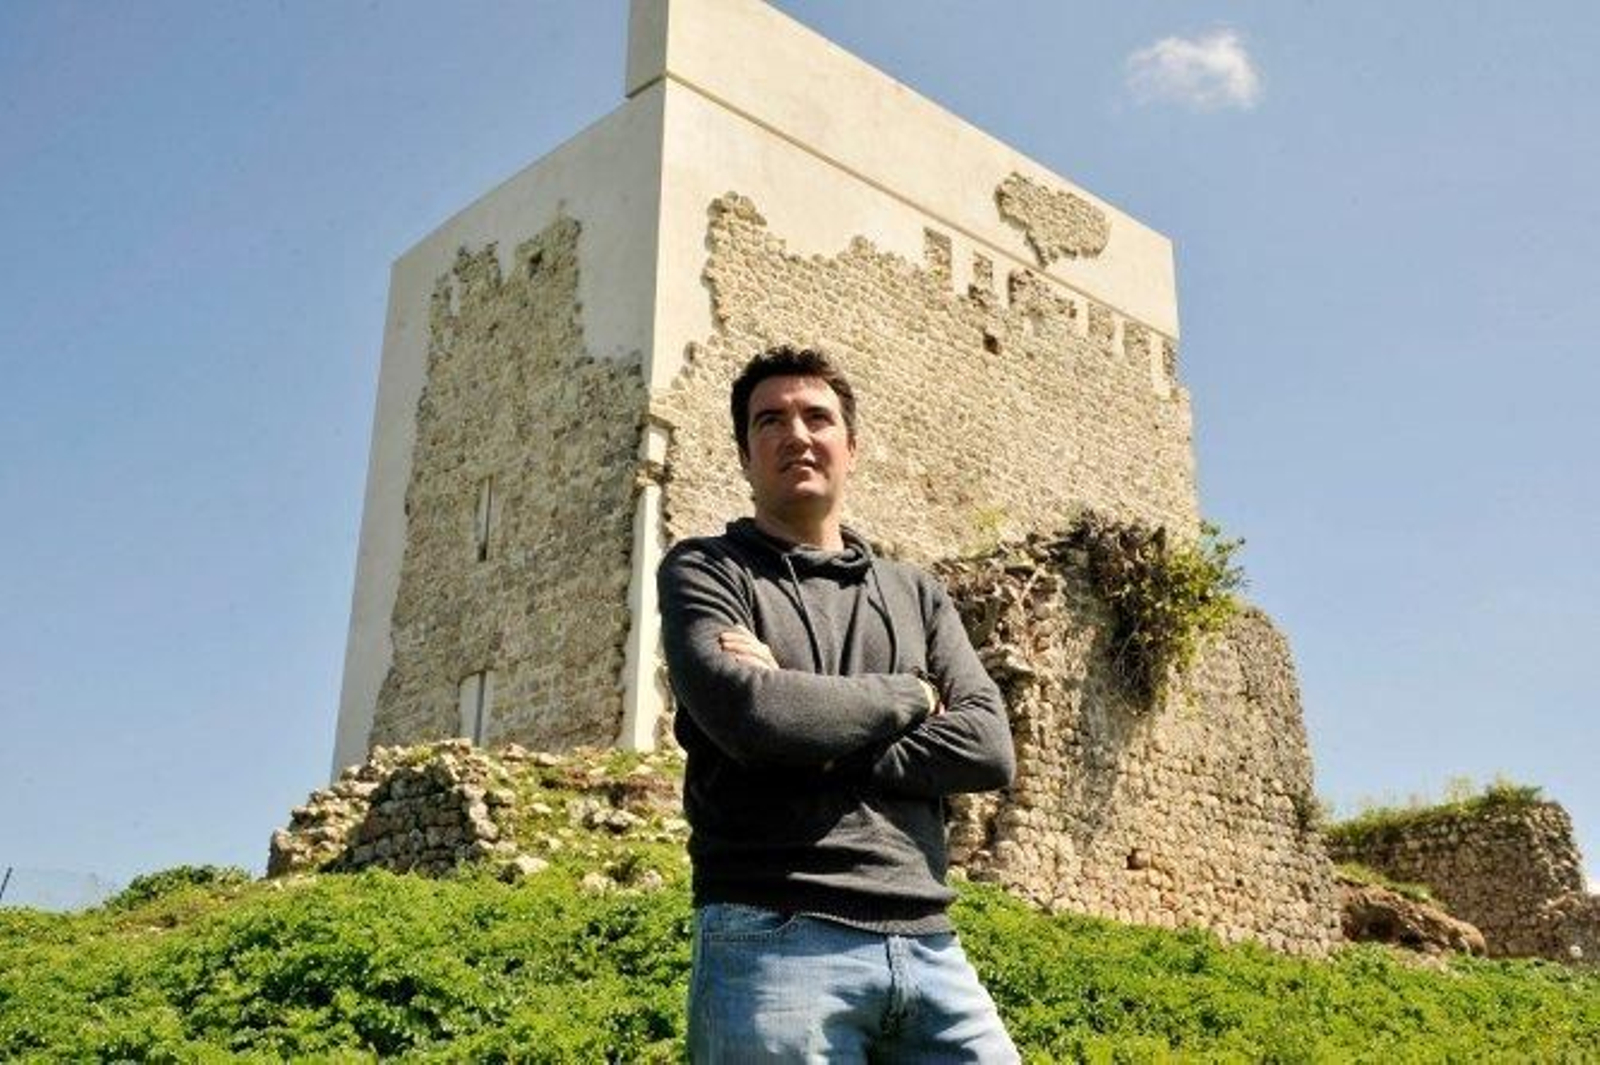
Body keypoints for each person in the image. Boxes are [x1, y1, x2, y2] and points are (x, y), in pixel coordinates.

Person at [658, 345, 1020, 1061]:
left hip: (931, 946)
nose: (796, 433)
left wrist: (806, 725)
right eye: (770, 420)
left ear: (851, 447)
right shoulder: (705, 570)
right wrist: (915, 696)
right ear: (743, 453)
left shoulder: (916, 592)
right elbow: (754, 717)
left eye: (816, 416)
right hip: (772, 936)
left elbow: (988, 746)